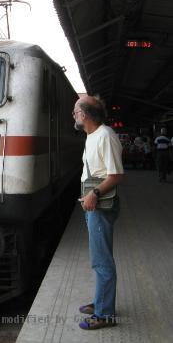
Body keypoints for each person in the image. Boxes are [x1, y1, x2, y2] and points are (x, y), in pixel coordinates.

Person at [72, 95, 124, 330]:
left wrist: (94, 194)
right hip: (93, 205)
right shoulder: (92, 136)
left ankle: (105, 315)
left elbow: (116, 175)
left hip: (100, 205)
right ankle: (101, 302)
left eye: (75, 111)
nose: (73, 115)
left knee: (102, 261)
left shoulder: (106, 135)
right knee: (98, 258)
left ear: (84, 115)